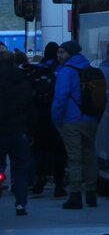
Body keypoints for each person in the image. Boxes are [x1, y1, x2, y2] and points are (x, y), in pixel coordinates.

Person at [52, 40, 100, 210]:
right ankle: (92, 194)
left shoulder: (66, 72)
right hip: (91, 120)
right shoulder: (88, 68)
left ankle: (75, 195)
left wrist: (57, 120)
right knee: (89, 156)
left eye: (62, 52)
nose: (59, 55)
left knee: (74, 158)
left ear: (70, 53)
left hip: (71, 120)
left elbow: (60, 98)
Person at [27, 42, 66, 198]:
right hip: (56, 116)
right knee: (59, 152)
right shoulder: (61, 69)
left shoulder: (37, 69)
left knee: (39, 149)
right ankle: (58, 184)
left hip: (39, 116)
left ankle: (39, 178)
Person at [0, 48, 35, 216]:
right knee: (20, 168)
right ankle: (20, 204)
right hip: (19, 130)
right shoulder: (23, 80)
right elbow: (30, 106)